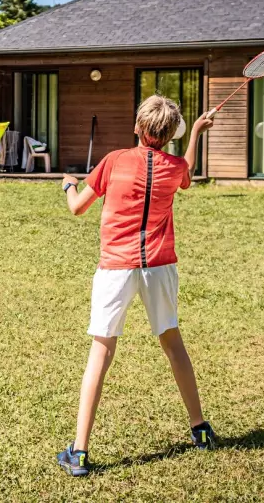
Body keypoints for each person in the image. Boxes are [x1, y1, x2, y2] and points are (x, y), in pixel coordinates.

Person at [56, 95, 216, 477]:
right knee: (173, 344)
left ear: (137, 128)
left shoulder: (113, 161)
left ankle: (78, 453)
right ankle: (200, 430)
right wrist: (195, 132)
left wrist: (67, 185)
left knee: (101, 352)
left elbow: (78, 207)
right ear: (169, 134)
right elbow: (187, 174)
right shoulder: (175, 166)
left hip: (116, 269)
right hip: (159, 268)